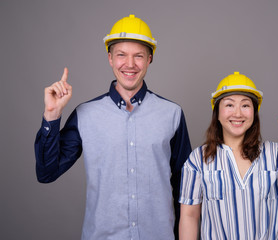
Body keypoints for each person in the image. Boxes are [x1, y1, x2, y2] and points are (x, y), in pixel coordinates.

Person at [34, 14, 192, 240]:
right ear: (110, 58)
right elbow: (46, 173)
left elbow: (185, 189)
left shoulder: (172, 114)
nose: (130, 64)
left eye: (138, 56)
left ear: (150, 59)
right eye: (121, 55)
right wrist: (52, 114)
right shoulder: (85, 115)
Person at [178, 72, 278, 239]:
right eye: (229, 105)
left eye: (246, 105)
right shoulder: (199, 159)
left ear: (254, 113)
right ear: (217, 112)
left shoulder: (276, 155)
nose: (238, 113)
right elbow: (189, 216)